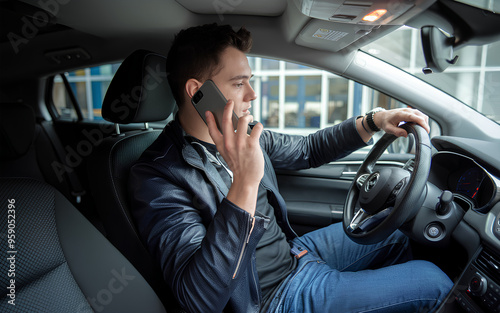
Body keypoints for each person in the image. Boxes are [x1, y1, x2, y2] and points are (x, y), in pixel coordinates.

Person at [129, 23, 452, 313]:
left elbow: (307, 150)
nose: (253, 95)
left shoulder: (246, 133)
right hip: (269, 297)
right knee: (433, 281)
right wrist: (245, 183)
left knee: (393, 227)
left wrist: (374, 121)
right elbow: (198, 298)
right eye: (239, 83)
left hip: (294, 252)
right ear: (197, 92)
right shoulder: (158, 176)